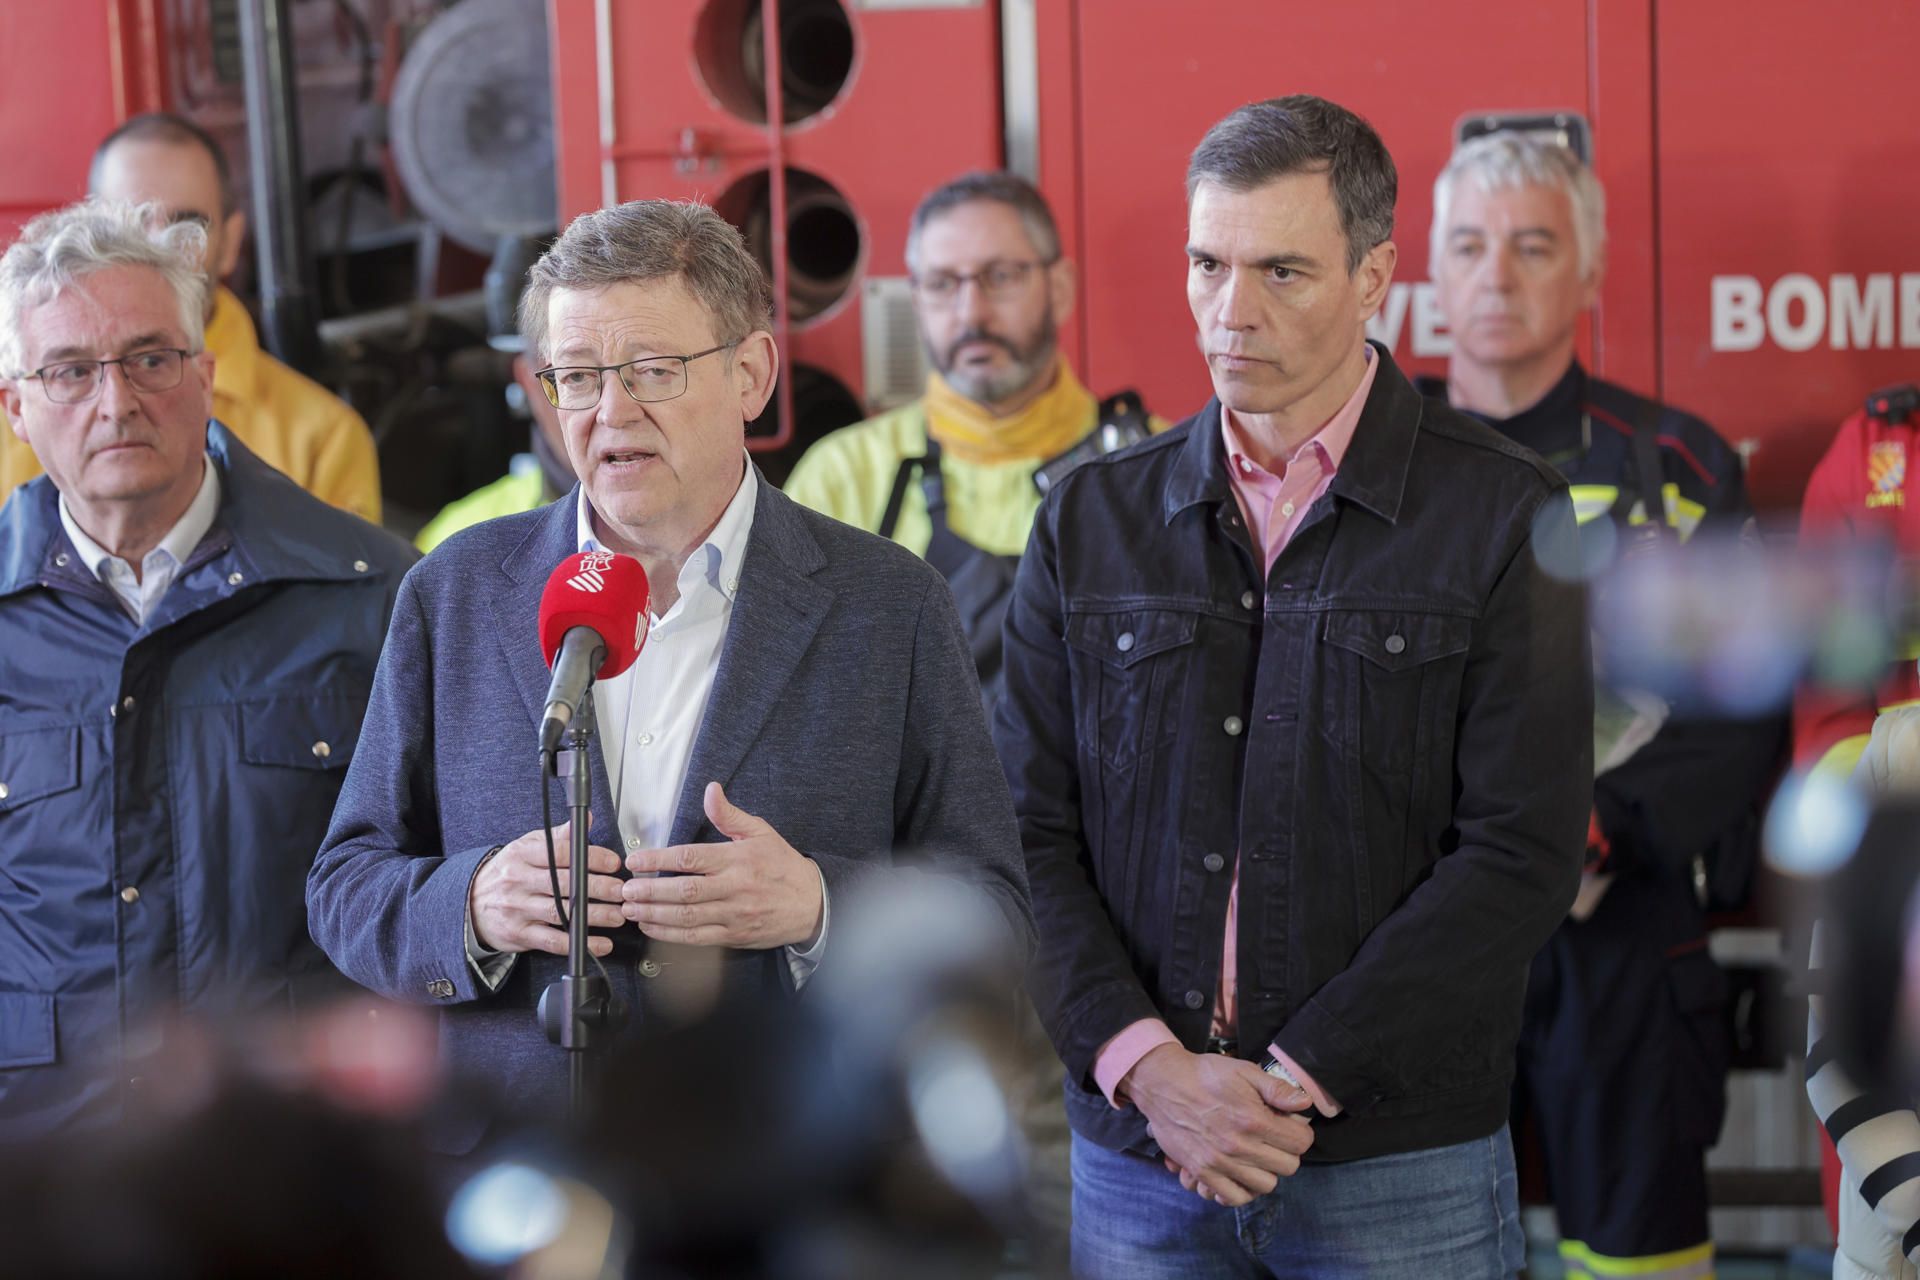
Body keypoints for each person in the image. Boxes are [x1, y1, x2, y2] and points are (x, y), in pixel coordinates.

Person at [994, 94, 1591, 1277]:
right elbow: (1020, 836)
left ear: (1375, 279)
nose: (1231, 312)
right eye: (1207, 264)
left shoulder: (1502, 513)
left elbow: (1520, 851)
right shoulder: (1087, 520)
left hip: (1397, 1163)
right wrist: (1153, 1073)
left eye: (1281, 270)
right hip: (1139, 1151)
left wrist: (1289, 1080)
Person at [306, 199, 1032, 1150]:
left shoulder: (890, 605)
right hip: (526, 1171)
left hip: (794, 1170)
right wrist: (472, 904)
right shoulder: (453, 591)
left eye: (652, 371)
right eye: (577, 377)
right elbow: (344, 887)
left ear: (752, 375)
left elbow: (995, 915)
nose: (611, 414)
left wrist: (820, 906)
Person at [1422, 130, 1786, 1280]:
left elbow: (1740, 708)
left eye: (1535, 246)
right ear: (1425, 270)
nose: (1498, 275)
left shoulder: (1675, 467)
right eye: (1470, 247)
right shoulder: (1370, 461)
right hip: (1412, 935)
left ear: (1589, 273)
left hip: (1614, 924)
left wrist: (1587, 831)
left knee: (1636, 1264)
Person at [0, 198, 415, 1139]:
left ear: (205, 375)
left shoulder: (370, 596)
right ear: (18, 407)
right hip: (42, 1176)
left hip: (296, 1163)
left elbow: (432, 893)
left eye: (150, 358)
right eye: (69, 370)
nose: (117, 401)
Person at [784, 170, 1157, 708]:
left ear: (1060, 288)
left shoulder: (1158, 468)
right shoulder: (842, 478)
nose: (971, 313)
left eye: (1000, 276)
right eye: (941, 284)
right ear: (916, 303)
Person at [0, 112, 383, 522]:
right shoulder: (18, 411)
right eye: (131, 223)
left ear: (231, 242)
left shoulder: (324, 437)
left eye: (188, 226)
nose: (159, 250)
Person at [415, 356, 575, 552]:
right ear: (527, 379)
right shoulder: (453, 539)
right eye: (576, 377)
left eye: (625, 369)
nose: (609, 412)